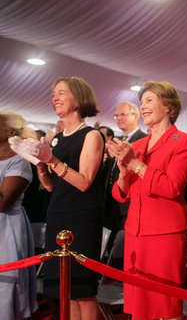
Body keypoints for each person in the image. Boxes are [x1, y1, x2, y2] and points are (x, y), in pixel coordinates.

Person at [10, 77, 105, 319]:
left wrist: (52, 160)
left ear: (79, 98)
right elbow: (52, 187)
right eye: (54, 93)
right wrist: (39, 164)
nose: (55, 97)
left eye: (62, 92)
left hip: (81, 219)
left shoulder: (91, 135)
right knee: (65, 291)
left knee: (83, 292)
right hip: (58, 215)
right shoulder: (57, 139)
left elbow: (84, 182)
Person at [107, 81, 187, 320]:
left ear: (168, 106)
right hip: (136, 233)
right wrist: (124, 173)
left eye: (149, 100)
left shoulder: (184, 141)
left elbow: (171, 187)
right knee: (139, 306)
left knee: (166, 306)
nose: (143, 106)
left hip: (165, 234)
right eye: (141, 101)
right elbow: (120, 193)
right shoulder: (136, 145)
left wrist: (135, 163)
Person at [0, 111, 37, 320]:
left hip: (6, 230)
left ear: (10, 132)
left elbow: (3, 202)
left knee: (6, 286)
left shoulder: (20, 162)